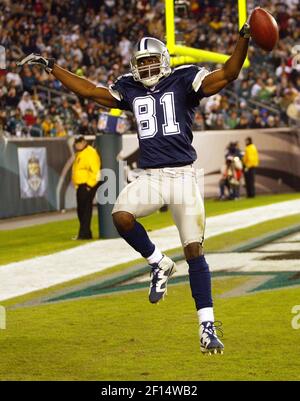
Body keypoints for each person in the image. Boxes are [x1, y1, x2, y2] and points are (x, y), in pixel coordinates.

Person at [17, 19, 252, 354]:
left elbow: (228, 73)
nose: (145, 66)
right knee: (121, 216)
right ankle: (157, 261)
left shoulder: (184, 78)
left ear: (164, 60)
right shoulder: (130, 87)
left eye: (150, 60)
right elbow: (88, 90)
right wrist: (52, 67)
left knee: (194, 252)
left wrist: (243, 40)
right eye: (140, 62)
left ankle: (206, 326)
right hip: (152, 177)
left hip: (183, 177)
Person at [72, 136, 101, 240]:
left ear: (84, 142)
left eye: (79, 142)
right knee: (81, 210)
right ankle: (86, 233)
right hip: (81, 185)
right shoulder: (80, 153)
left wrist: (90, 185)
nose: (77, 145)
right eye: (76, 143)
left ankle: (83, 234)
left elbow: (95, 171)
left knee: (85, 210)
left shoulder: (90, 152)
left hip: (87, 185)